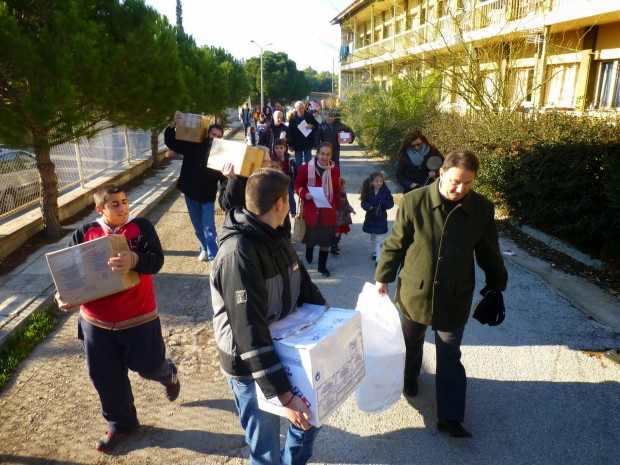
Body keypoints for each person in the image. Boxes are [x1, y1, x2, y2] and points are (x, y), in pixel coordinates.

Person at [375, 149, 508, 438]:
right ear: (442, 172)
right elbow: (396, 243)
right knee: (411, 342)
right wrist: (383, 277)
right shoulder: (414, 201)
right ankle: (409, 377)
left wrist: (497, 284)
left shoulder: (481, 209)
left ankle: (450, 416)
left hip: (455, 294)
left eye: (468, 183)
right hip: (415, 290)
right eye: (456, 181)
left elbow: (489, 251)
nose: (461, 189)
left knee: (449, 352)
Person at [210, 168, 326, 465]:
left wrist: (334, 328)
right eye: (289, 199)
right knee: (265, 449)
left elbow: (305, 288)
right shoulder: (239, 255)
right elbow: (249, 334)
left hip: (284, 350)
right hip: (249, 366)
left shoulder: (277, 236)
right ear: (280, 203)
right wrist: (284, 396)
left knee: (309, 419)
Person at [54, 183, 180, 453]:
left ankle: (168, 375)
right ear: (100, 209)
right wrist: (63, 296)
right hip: (95, 321)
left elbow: (156, 260)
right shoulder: (85, 233)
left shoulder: (141, 228)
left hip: (139, 317)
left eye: (125, 201)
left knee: (149, 366)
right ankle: (120, 423)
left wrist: (134, 259)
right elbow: (68, 272)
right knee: (105, 376)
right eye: (115, 204)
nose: (123, 208)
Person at [164, 111, 225, 262]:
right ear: (208, 133)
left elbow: (224, 178)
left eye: (218, 136)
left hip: (208, 195)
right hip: (190, 192)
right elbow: (171, 142)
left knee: (209, 227)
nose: (214, 138)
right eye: (213, 134)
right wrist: (174, 123)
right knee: (198, 227)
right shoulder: (193, 144)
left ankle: (213, 257)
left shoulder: (222, 154)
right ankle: (204, 248)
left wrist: (225, 194)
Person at [294, 142, 340, 277]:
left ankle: (322, 266)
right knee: (311, 240)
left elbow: (336, 190)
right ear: (317, 154)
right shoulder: (306, 168)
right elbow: (297, 185)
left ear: (331, 155)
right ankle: (309, 250)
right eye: (322, 154)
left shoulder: (335, 170)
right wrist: (304, 194)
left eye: (328, 154)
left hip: (328, 211)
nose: (325, 157)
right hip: (311, 211)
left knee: (325, 241)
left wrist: (338, 208)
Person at [218, 145, 272, 213]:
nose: (269, 165)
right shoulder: (231, 176)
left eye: (270, 161)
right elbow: (227, 206)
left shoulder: (269, 180)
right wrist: (233, 180)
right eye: (265, 161)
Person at [360, 171, 394, 264]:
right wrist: (368, 206)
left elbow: (390, 204)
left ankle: (378, 258)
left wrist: (384, 202)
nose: (379, 183)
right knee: (373, 236)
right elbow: (363, 202)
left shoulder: (386, 192)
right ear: (372, 182)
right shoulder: (368, 191)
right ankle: (375, 251)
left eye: (380, 181)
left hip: (381, 217)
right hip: (371, 217)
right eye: (376, 181)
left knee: (378, 238)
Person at [395, 129, 444, 194]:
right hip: (411, 191)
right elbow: (400, 175)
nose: (416, 147)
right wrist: (409, 184)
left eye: (418, 144)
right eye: (413, 146)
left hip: (430, 189)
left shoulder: (432, 150)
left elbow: (444, 166)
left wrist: (436, 173)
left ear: (422, 141)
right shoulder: (404, 154)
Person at [289, 100, 320, 169]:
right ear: (296, 108)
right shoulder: (292, 119)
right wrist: (290, 145)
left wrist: (311, 126)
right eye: (299, 108)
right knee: (298, 163)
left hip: (307, 142)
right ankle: (299, 174)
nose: (301, 110)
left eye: (302, 108)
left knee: (309, 162)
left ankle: (309, 174)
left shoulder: (309, 115)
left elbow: (316, 125)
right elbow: (290, 132)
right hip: (297, 143)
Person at [271, 138, 297, 216]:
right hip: (273, 180)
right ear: (274, 149)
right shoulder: (271, 159)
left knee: (289, 193)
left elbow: (295, 172)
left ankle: (292, 209)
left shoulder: (290, 160)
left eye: (281, 148)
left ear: (285, 149)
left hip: (286, 181)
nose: (279, 150)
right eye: (277, 148)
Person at [331, 177, 355, 256]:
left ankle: (336, 244)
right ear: (340, 185)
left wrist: (351, 210)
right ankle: (333, 246)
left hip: (342, 216)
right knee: (337, 231)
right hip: (336, 216)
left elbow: (346, 203)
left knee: (339, 231)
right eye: (344, 185)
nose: (345, 186)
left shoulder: (343, 193)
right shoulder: (334, 194)